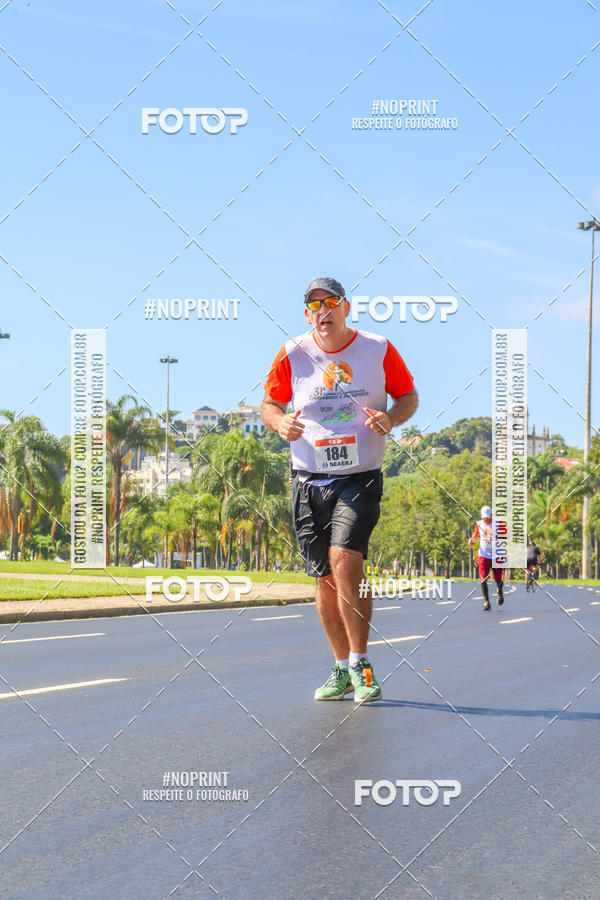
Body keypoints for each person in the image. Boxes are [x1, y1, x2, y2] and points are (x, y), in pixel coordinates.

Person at [261, 276, 418, 702]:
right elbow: (270, 404)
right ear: (307, 314)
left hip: (360, 475)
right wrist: (280, 423)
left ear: (346, 307)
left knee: (345, 560)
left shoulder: (378, 348)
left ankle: (361, 663)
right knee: (324, 577)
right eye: (314, 306)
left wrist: (391, 419)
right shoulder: (292, 353)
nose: (323, 311)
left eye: (331, 302)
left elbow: (407, 397)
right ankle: (340, 667)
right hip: (308, 478)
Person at [468, 505, 505, 610]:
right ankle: (486, 601)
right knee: (483, 578)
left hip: (496, 555)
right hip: (483, 555)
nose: (486, 520)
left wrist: (493, 533)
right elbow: (475, 536)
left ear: (491, 515)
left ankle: (500, 591)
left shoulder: (498, 524)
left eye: (487, 518)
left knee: (498, 579)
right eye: (484, 518)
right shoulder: (479, 524)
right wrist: (472, 540)